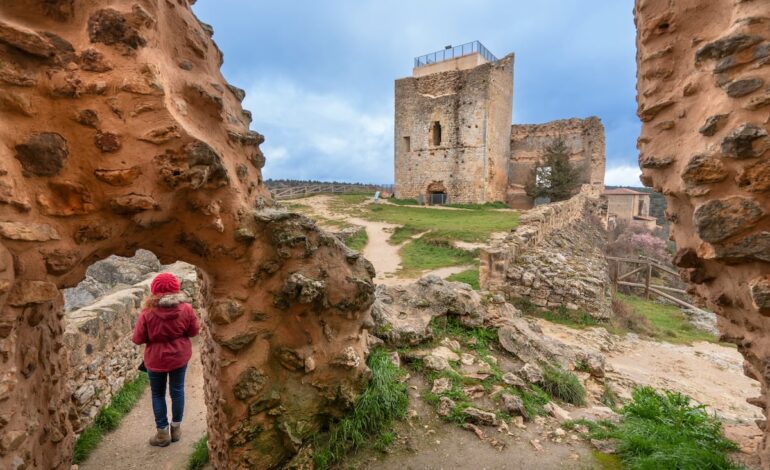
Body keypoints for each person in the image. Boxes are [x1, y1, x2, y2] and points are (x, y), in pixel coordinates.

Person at [132, 272, 199, 447]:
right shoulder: (186, 309)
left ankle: (162, 433)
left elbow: (138, 338)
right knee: (177, 391)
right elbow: (193, 332)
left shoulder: (147, 313)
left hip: (156, 360)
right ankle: (176, 429)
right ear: (176, 289)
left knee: (157, 394)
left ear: (154, 291)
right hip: (179, 357)